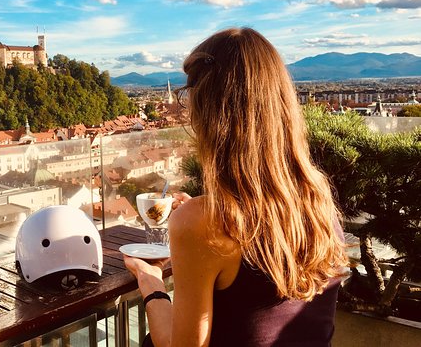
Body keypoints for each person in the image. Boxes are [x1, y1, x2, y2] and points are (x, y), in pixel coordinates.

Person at [124, 28, 347, 346]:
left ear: (208, 114)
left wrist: (152, 284)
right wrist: (204, 211)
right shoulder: (317, 197)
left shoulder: (201, 222)